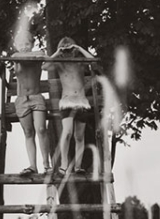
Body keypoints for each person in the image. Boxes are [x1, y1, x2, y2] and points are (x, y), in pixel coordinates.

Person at [47, 37, 96, 176]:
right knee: (67, 133)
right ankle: (64, 164)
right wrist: (58, 52)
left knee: (79, 136)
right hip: (67, 101)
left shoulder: (80, 63)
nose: (67, 51)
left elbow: (93, 61)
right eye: (65, 49)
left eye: (69, 48)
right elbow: (44, 66)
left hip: (81, 102)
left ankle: (78, 166)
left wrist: (79, 48)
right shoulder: (59, 64)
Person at [11, 31, 51, 175]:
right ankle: (33, 166)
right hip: (22, 99)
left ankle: (47, 165)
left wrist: (40, 54)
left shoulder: (37, 56)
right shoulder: (16, 57)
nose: (24, 47)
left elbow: (48, 60)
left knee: (41, 129)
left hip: (36, 97)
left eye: (27, 43)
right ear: (16, 45)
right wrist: (34, 55)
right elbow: (16, 57)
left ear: (32, 44)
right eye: (21, 44)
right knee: (28, 132)